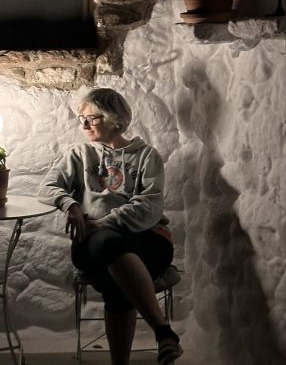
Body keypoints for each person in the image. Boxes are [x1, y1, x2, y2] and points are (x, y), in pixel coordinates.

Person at [37, 88, 182, 365]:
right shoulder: (79, 154)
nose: (84, 124)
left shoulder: (146, 155)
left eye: (91, 118)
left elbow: (149, 206)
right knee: (107, 245)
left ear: (113, 118)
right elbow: (47, 187)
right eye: (81, 118)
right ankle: (164, 333)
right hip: (95, 242)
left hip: (147, 239)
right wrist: (71, 204)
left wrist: (104, 222)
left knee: (116, 280)